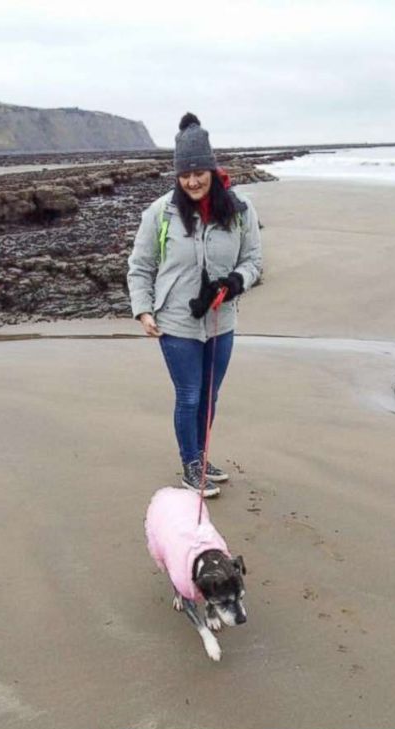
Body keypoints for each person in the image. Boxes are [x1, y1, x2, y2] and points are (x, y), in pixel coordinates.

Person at [127, 112, 262, 497]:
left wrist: (236, 282)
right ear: (177, 176)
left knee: (210, 395)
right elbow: (140, 266)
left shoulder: (240, 211)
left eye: (198, 171)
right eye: (184, 174)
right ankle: (191, 466)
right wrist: (143, 309)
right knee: (189, 395)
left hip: (222, 320)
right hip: (176, 321)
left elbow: (252, 260)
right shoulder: (159, 214)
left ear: (211, 168)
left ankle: (200, 457)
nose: (192, 181)